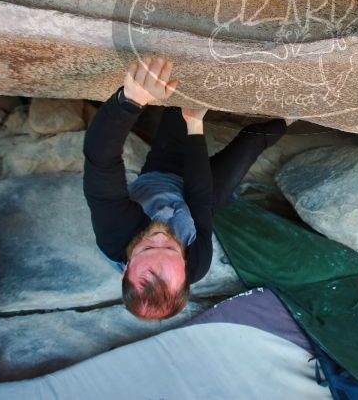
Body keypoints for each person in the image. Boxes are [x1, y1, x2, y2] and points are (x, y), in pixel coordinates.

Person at [84, 56, 286, 320]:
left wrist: (129, 101)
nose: (159, 238)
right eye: (171, 250)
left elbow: (101, 162)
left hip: (160, 174)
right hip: (194, 204)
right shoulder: (197, 264)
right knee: (250, 145)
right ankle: (291, 116)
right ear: (185, 266)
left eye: (146, 249)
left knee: (178, 101)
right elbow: (200, 199)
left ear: (126, 268)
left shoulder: (114, 232)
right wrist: (195, 126)